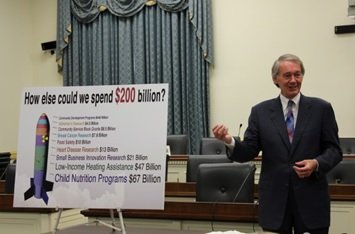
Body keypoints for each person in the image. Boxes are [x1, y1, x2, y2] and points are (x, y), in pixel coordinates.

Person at [212, 54, 342, 234]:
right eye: (287, 75)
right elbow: (249, 151)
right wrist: (229, 141)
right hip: (275, 203)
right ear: (275, 79)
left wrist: (316, 163)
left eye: (298, 75)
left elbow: (334, 150)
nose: (293, 80)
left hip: (311, 201)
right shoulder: (260, 112)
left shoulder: (321, 109)